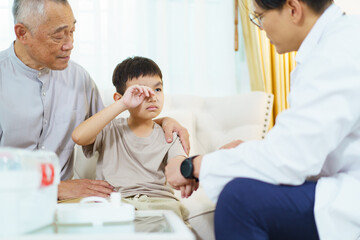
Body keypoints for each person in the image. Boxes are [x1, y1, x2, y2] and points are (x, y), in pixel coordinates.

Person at [165, 0, 360, 239]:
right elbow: (303, 148)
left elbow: (290, 158)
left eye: (261, 17)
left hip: (351, 197)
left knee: (239, 200)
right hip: (343, 184)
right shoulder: (339, 40)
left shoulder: (335, 54)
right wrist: (248, 153)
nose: (261, 28)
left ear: (293, 9)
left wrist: (193, 165)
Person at [0, 0, 189, 201]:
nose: (70, 44)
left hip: (67, 204)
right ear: (22, 33)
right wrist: (51, 188)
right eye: (58, 36)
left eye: (72, 31)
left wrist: (163, 121)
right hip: (9, 198)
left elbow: (108, 127)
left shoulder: (79, 79)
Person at [72, 56, 197, 219]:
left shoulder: (170, 134)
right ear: (120, 98)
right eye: (141, 91)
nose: (152, 97)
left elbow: (177, 164)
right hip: (117, 203)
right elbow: (79, 136)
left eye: (157, 89)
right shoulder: (110, 129)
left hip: (160, 203)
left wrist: (187, 172)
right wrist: (122, 104)